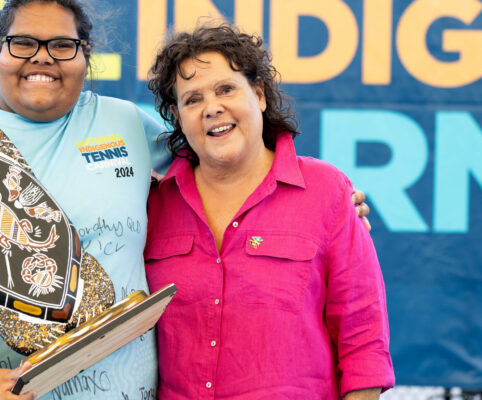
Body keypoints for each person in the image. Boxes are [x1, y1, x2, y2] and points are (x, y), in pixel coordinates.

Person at [0, 1, 371, 399]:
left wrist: (318, 203)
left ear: (86, 56)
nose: (42, 57)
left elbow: (221, 145)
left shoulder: (126, 125)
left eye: (63, 45)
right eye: (23, 42)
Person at [144, 24, 394, 399]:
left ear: (258, 94)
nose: (212, 108)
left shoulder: (327, 192)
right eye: (192, 99)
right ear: (177, 116)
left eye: (226, 89)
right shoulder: (152, 205)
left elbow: (363, 341)